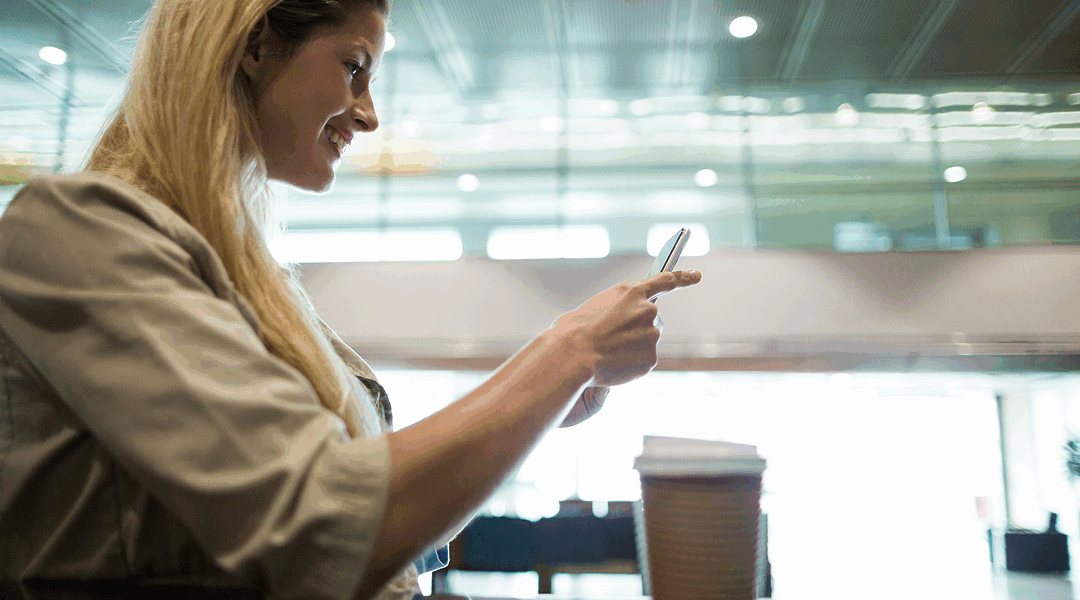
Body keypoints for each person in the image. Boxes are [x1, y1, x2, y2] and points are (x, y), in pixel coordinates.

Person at [0, 0, 701, 599]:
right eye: (354, 67)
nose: (367, 115)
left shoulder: (252, 279)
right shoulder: (81, 230)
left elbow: (384, 527)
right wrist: (566, 353)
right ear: (253, 44)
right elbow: (323, 528)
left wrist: (541, 404)